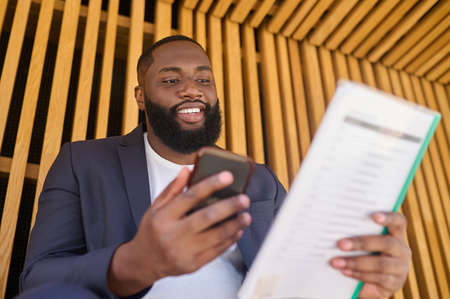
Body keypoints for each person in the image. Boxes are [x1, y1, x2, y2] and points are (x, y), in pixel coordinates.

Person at [20, 35, 411, 299]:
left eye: (203, 80)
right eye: (171, 79)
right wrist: (135, 262)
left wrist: (352, 285)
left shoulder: (261, 181)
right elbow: (39, 278)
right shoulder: (85, 161)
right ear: (141, 97)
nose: (192, 89)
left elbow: (291, 283)